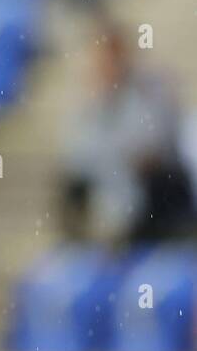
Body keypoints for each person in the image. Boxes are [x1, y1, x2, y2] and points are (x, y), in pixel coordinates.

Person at [59, 21, 195, 246]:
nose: (105, 65)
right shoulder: (90, 106)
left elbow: (152, 148)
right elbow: (77, 158)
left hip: (155, 200)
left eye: (111, 57)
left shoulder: (150, 91)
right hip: (113, 195)